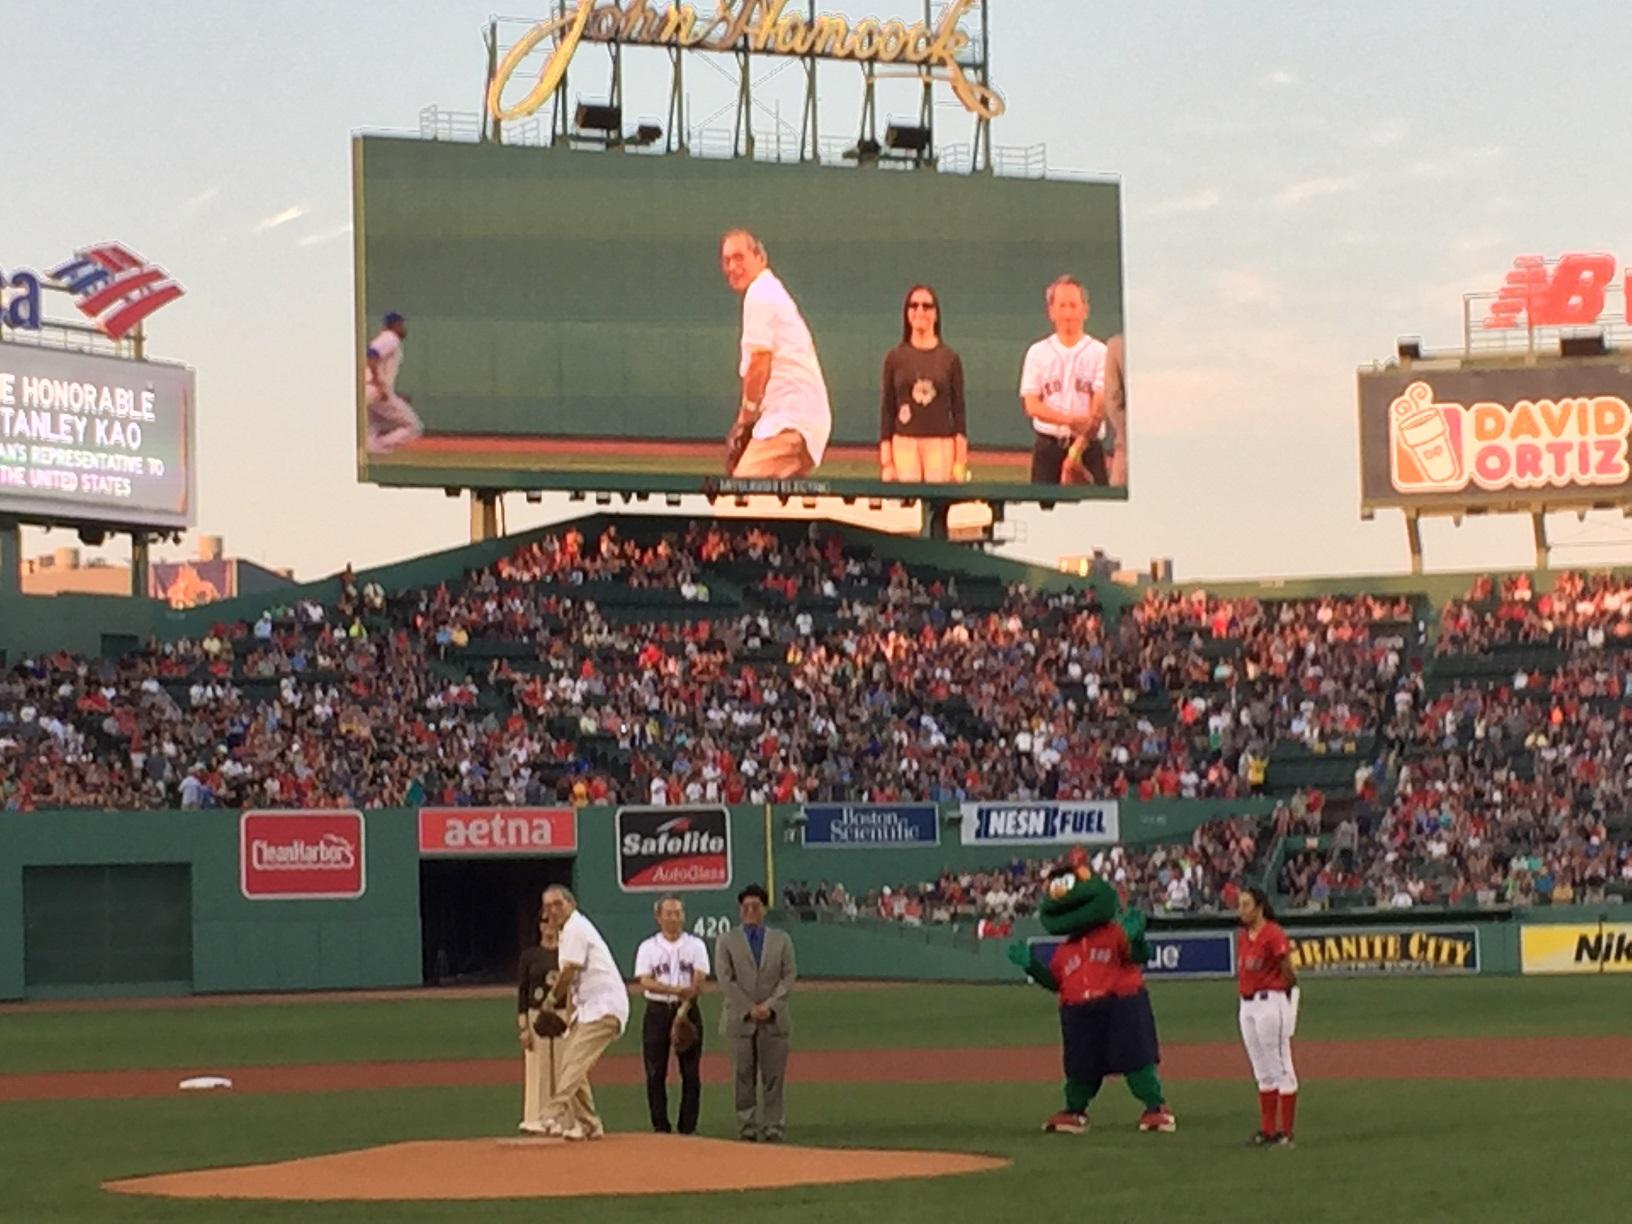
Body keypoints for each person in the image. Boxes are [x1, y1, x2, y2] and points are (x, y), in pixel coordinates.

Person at [719, 230, 832, 479]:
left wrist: (744, 422)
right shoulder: (769, 290)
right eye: (726, 260)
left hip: (790, 421)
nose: (732, 266)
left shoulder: (759, 293)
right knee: (769, 506)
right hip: (795, 421)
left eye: (739, 257)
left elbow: (759, 364)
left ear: (761, 258)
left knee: (739, 495)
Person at [539, 885, 630, 1141]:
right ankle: (589, 1123)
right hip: (588, 1008)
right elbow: (574, 983)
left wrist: (549, 1000)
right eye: (548, 907)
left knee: (574, 1062)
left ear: (572, 904)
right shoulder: (567, 933)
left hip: (605, 1006)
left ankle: (551, 1113)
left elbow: (568, 973)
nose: (553, 910)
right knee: (572, 1061)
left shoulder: (576, 927)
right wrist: (569, 1018)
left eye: (558, 904)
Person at [715, 883, 796, 1142]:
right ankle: (747, 1127)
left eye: (756, 906)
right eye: (746, 907)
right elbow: (725, 979)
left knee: (773, 1078)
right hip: (741, 1020)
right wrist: (749, 1008)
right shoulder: (726, 940)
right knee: (743, 1077)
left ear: (764, 909)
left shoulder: (781, 940)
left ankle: (773, 1127)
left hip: (774, 1019)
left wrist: (769, 1005)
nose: (751, 911)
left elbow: (789, 976)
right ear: (740, 910)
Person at [633, 894, 710, 1135]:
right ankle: (661, 1127)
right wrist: (675, 990)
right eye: (669, 914)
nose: (674, 918)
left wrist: (683, 1011)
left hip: (688, 1011)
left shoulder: (695, 945)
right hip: (657, 1012)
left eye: (678, 913)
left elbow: (699, 981)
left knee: (690, 1073)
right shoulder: (648, 947)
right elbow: (645, 981)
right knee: (655, 1072)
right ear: (658, 917)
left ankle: (688, 1128)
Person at [1019, 276, 1107, 485]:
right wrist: (1069, 420)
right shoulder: (1037, 352)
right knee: (1043, 510)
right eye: (1062, 305)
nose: (1068, 312)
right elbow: (1031, 405)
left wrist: (1077, 449)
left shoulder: (1100, 352)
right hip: (1048, 447)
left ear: (1085, 310)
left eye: (1074, 305)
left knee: (1097, 509)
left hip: (1088, 447)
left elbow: (1099, 408)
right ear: (1051, 311)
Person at [879, 284, 968, 484]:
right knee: (908, 505)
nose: (920, 311)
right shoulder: (895, 358)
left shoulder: (949, 358)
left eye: (927, 306)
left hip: (940, 443)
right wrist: (887, 460)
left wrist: (960, 459)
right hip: (904, 443)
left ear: (936, 314)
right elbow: (888, 408)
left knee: (937, 503)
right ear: (907, 313)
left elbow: (959, 409)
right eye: (914, 306)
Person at [1236, 885, 1300, 1147]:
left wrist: (1285, 995)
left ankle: (1286, 1131)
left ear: (1260, 907)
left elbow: (1287, 969)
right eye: (1240, 905)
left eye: (1246, 904)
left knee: (1281, 1066)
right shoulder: (1243, 936)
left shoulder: (1273, 934)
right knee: (1262, 1070)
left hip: (1270, 1001)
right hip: (1247, 1005)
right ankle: (1267, 1129)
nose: (1241, 910)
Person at [516, 907, 568, 1136]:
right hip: (536, 1013)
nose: (548, 925)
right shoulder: (530, 956)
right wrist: (523, 1027)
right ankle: (535, 1117)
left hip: (563, 1012)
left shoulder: (567, 953)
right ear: (539, 925)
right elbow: (523, 991)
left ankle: (561, 1119)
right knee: (537, 1067)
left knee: (563, 1067)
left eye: (553, 921)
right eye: (544, 921)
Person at [364, 310, 423, 454]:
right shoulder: (390, 338)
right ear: (396, 325)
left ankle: (371, 451)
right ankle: (378, 448)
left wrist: (394, 394)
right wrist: (378, 384)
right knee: (413, 426)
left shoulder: (387, 338)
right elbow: (372, 354)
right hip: (375, 390)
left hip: (367, 390)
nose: (403, 328)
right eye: (402, 324)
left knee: (372, 428)